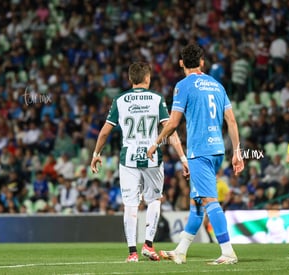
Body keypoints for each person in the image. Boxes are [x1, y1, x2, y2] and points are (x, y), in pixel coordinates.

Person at [147, 44, 244, 265]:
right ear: (202, 62)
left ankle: (228, 251)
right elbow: (231, 120)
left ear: (181, 63)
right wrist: (237, 152)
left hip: (199, 151)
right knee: (197, 203)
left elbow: (173, 123)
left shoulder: (183, 86)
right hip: (217, 150)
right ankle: (180, 251)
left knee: (210, 202)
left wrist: (155, 144)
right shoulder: (217, 85)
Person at [90, 62, 187, 262]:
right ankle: (148, 246)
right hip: (152, 158)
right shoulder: (157, 98)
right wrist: (183, 157)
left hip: (129, 159)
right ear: (147, 78)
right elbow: (170, 130)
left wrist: (96, 153)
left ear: (130, 79)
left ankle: (132, 252)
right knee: (154, 200)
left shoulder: (120, 100)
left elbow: (105, 131)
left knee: (130, 205)